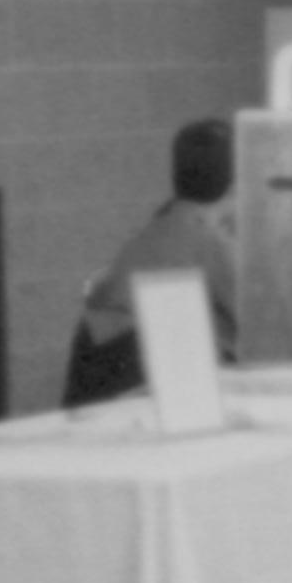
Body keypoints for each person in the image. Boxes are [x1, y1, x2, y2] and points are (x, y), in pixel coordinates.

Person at [64, 117, 240, 406]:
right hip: (135, 363)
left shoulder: (161, 224)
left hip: (93, 355)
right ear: (235, 186)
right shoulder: (208, 240)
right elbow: (261, 328)